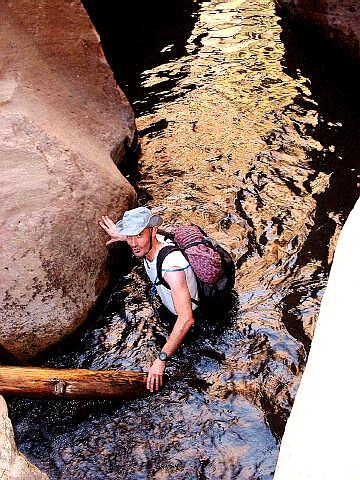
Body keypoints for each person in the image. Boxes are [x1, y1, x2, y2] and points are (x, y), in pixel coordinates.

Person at [99, 207, 199, 393]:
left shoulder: (172, 268)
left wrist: (161, 359)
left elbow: (186, 319)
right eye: (130, 236)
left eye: (138, 235)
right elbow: (137, 241)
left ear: (153, 231)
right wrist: (121, 235)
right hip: (170, 311)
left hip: (194, 324)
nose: (133, 243)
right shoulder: (150, 244)